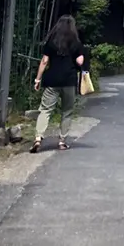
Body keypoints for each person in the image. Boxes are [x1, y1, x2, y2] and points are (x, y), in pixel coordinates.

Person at [32, 15, 86, 153]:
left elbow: (44, 61)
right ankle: (62, 141)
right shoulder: (76, 42)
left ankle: (38, 138)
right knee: (67, 111)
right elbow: (80, 62)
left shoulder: (52, 41)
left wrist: (38, 79)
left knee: (45, 109)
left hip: (52, 80)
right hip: (69, 80)